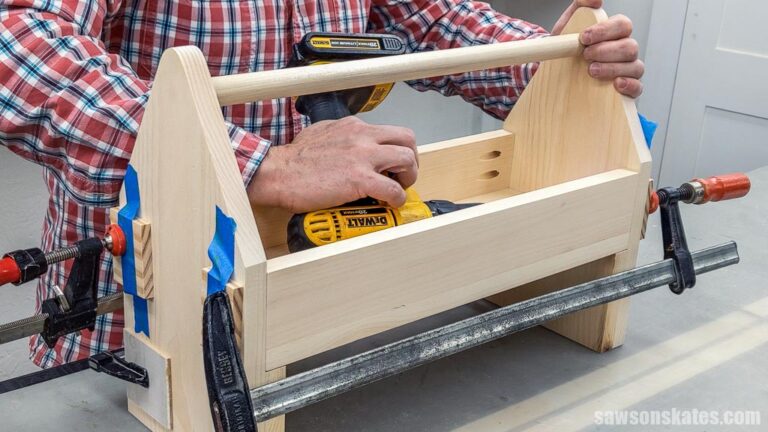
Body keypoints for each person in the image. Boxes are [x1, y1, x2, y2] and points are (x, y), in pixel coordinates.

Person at [0, 0, 643, 368]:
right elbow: (15, 39)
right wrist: (255, 164)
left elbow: (434, 20)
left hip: (323, 306)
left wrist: (556, 63)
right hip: (142, 325)